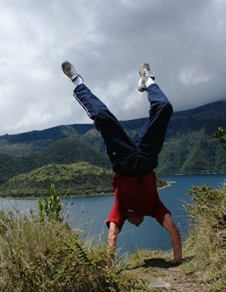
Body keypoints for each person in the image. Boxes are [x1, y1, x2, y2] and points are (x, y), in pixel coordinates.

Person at [62, 60, 182, 264]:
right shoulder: (154, 208)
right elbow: (171, 227)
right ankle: (149, 80)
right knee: (164, 108)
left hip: (124, 162)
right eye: (138, 223)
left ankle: (78, 82)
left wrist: (109, 265)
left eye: (132, 224)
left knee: (102, 117)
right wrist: (177, 258)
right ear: (142, 218)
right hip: (146, 158)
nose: (135, 224)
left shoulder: (121, 212)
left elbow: (112, 237)